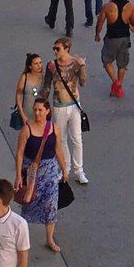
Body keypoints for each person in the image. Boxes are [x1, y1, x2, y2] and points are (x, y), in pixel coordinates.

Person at [15, 98, 67, 253]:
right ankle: (22, 239)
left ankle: (49, 239)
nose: (37, 113)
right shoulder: (27, 130)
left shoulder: (54, 128)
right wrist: (18, 176)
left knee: (51, 205)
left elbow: (58, 150)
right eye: (35, 110)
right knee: (28, 203)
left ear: (47, 111)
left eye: (40, 110)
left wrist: (64, 169)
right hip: (32, 172)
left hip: (50, 171)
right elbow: (19, 154)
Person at [46, 36, 88, 185]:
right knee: (61, 139)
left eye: (58, 49)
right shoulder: (51, 65)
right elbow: (46, 87)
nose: (55, 51)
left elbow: (83, 83)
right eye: (54, 49)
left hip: (74, 105)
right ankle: (66, 168)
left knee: (77, 139)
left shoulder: (76, 64)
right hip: (59, 106)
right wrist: (43, 106)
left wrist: (82, 66)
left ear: (66, 49)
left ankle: (79, 170)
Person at [95, 0, 134, 97]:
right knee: (122, 63)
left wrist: (97, 34)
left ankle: (116, 82)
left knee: (107, 60)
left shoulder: (108, 6)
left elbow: (100, 22)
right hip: (125, 38)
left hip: (111, 38)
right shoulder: (131, 7)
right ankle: (119, 85)